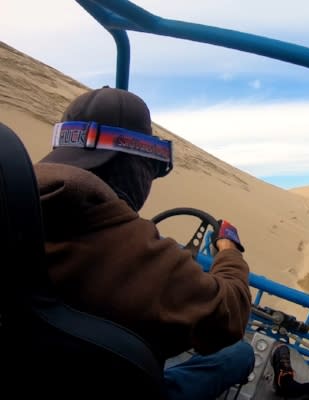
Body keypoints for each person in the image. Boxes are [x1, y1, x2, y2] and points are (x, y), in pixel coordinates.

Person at [34, 86, 255, 400]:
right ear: (133, 165)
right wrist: (229, 252)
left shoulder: (16, 203)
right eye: (151, 168)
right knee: (240, 354)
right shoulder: (138, 255)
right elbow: (229, 314)